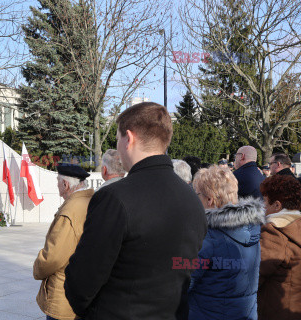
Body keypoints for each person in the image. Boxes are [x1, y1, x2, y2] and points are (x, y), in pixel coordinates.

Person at [64, 102, 207, 319]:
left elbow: (82, 280)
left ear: (128, 139)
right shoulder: (192, 199)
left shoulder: (115, 197)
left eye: (118, 139)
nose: (118, 149)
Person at [189, 165, 265, 320]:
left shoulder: (208, 237)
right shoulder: (252, 228)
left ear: (209, 200)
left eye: (196, 194)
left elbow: (182, 282)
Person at [33, 164, 94, 320]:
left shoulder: (70, 211)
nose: (57, 185)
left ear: (65, 185)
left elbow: (53, 257)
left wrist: (37, 267)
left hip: (64, 294)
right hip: (85, 288)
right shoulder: (91, 201)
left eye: (58, 182)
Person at [258, 175, 301, 320]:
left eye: (264, 200)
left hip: (275, 310)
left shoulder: (275, 233)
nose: (262, 205)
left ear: (277, 205)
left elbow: (256, 275)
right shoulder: (296, 227)